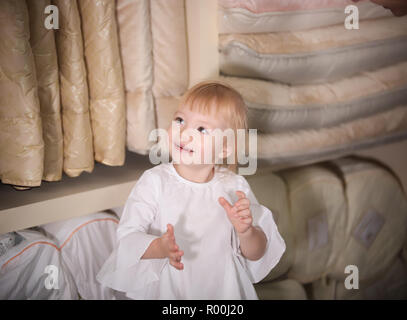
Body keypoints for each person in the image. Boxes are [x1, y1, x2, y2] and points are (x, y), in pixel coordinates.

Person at [96, 81, 286, 299]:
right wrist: (159, 247)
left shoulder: (235, 187)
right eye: (180, 120)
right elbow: (127, 238)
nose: (185, 132)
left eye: (202, 129)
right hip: (169, 289)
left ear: (225, 148)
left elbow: (257, 252)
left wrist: (246, 231)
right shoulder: (155, 182)